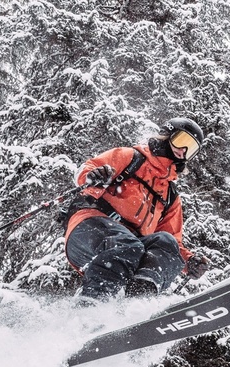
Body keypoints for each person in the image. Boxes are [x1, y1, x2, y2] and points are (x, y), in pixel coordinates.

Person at [62, 117, 210, 300]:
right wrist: (94, 176)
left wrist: (188, 261)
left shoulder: (170, 196)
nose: (183, 151)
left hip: (127, 247)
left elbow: (174, 242)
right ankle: (92, 303)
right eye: (182, 141)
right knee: (128, 245)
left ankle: (136, 301)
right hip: (89, 227)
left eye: (191, 149)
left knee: (167, 243)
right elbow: (89, 168)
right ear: (167, 135)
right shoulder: (132, 158)